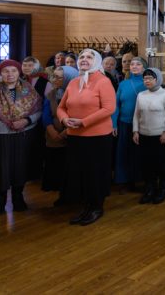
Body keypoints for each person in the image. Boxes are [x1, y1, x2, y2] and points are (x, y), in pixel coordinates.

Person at [58, 49, 117, 226]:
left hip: (97, 137)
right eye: (82, 57)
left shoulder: (103, 81)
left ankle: (96, 207)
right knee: (80, 172)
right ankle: (85, 206)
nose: (84, 60)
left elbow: (108, 109)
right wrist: (64, 119)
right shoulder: (74, 82)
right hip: (75, 136)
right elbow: (61, 107)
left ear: (97, 61)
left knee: (95, 173)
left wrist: (83, 122)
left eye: (89, 57)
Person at [0, 60, 42, 216]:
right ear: (0, 74)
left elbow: (38, 110)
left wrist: (26, 120)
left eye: (13, 71)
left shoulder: (29, 90)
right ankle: (0, 201)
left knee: (20, 168)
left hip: (22, 136)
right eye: (6, 71)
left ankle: (18, 197)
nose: (10, 74)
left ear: (19, 73)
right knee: (0, 170)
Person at [132, 68, 165, 204]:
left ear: (158, 79)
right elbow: (136, 115)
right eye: (145, 78)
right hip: (144, 135)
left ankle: (162, 190)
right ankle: (149, 189)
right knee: (146, 165)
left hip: (160, 136)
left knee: (161, 164)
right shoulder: (141, 95)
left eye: (150, 78)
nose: (147, 81)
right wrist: (135, 131)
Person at [42, 65, 78, 194]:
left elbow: (78, 115)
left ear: (69, 78)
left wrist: (64, 133)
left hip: (71, 135)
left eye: (58, 77)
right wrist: (51, 131)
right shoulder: (51, 93)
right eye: (53, 76)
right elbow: (45, 114)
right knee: (55, 166)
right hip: (53, 136)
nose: (54, 79)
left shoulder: (77, 94)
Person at [112, 56, 146, 189]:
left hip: (142, 124)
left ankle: (138, 179)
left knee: (138, 152)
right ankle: (122, 180)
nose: (134, 66)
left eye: (138, 64)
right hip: (124, 123)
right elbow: (116, 105)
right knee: (123, 152)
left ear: (144, 67)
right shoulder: (123, 84)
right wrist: (113, 123)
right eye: (132, 64)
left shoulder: (147, 82)